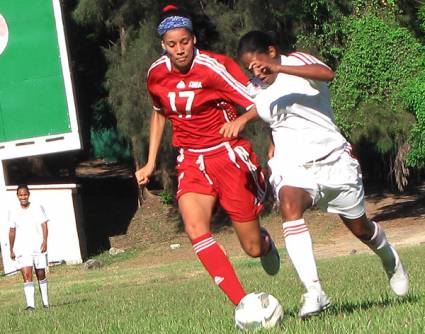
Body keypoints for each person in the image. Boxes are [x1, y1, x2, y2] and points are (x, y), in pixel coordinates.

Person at [237, 30, 409, 318]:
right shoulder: (255, 86)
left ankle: (390, 259)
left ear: (272, 50)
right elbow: (268, 109)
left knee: (360, 229)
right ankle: (314, 292)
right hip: (293, 164)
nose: (256, 72)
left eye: (258, 63)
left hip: (334, 161)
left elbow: (326, 74)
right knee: (289, 205)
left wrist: (278, 67)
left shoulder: (296, 63)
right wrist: (264, 135)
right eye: (249, 68)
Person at [134, 6, 280, 309]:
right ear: (163, 45)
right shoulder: (156, 73)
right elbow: (159, 113)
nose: (179, 50)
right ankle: (244, 305)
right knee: (195, 228)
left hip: (227, 157)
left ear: (194, 39)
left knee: (252, 248)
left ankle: (265, 243)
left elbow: (260, 99)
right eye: (172, 44)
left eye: (184, 42)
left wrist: (243, 123)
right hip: (191, 160)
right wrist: (149, 162)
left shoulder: (215, 67)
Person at [8, 184, 50, 310]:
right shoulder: (14, 211)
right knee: (27, 275)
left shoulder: (37, 207)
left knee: (40, 273)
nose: (23, 197)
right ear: (17, 196)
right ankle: (31, 305)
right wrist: (11, 249)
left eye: (25, 194)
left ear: (28, 194)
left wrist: (44, 241)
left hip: (37, 245)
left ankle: (46, 303)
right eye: (20, 195)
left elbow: (44, 225)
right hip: (22, 248)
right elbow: (12, 230)